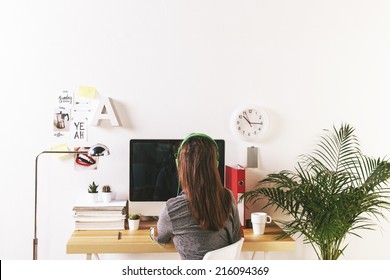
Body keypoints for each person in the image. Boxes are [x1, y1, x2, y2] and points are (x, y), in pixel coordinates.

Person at [150, 133, 242, 260]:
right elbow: (237, 237)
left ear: (180, 165)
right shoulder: (228, 197)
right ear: (215, 164)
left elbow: (160, 238)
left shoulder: (172, 208)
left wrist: (153, 232)